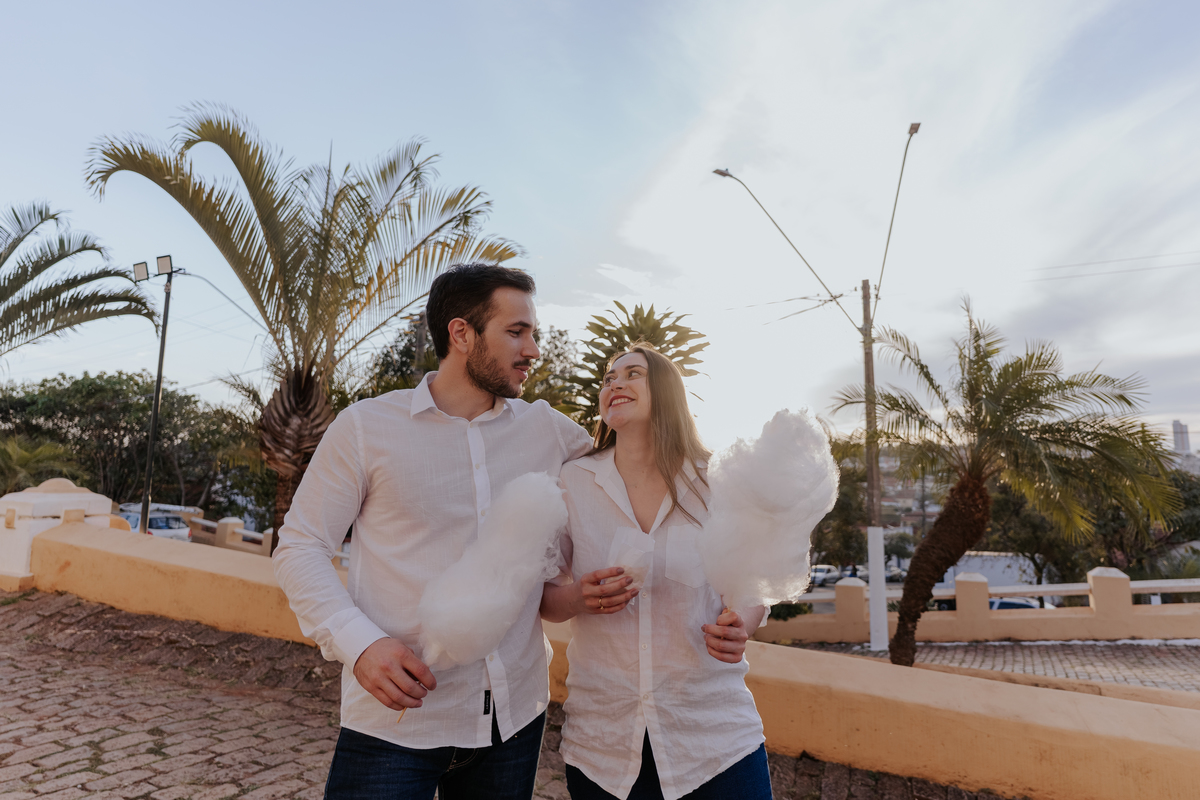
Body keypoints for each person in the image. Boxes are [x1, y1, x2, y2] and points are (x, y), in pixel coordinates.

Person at [273, 263, 592, 799]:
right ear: (462, 334)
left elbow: (627, 474)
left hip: (512, 720)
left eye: (532, 333)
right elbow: (300, 546)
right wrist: (361, 645)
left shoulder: (550, 431)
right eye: (516, 332)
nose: (534, 350)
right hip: (396, 724)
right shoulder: (366, 427)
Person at [540, 343, 773, 800]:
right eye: (609, 378)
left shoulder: (718, 481)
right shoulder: (573, 482)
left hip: (713, 738)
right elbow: (545, 599)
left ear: (667, 391)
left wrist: (741, 625)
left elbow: (755, 583)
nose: (615, 383)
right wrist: (578, 598)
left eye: (633, 373)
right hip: (603, 744)